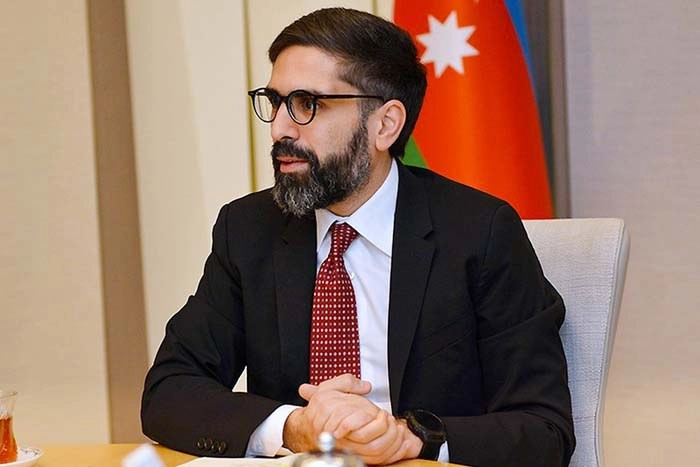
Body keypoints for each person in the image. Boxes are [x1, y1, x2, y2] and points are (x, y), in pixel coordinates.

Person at [141, 7, 575, 467]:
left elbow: (543, 429)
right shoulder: (249, 229)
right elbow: (169, 391)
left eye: (308, 104)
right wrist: (293, 427)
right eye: (276, 101)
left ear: (384, 125)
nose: (280, 128)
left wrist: (412, 438)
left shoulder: (479, 232)